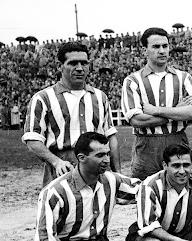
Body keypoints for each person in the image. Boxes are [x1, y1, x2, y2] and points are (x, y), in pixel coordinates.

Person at [23, 42, 120, 187]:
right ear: (60, 66)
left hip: (97, 167)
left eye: (84, 63)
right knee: (63, 207)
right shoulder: (43, 98)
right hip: (63, 168)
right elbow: (32, 139)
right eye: (73, 63)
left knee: (98, 207)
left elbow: (110, 136)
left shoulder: (100, 97)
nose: (80, 68)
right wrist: (56, 162)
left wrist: (117, 173)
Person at [121, 27, 192, 180]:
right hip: (147, 145)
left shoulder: (184, 78)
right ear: (145, 50)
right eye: (156, 46)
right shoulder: (133, 81)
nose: (162, 51)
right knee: (145, 191)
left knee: (180, 190)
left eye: (165, 46)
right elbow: (136, 120)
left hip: (177, 139)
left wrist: (156, 110)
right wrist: (176, 112)